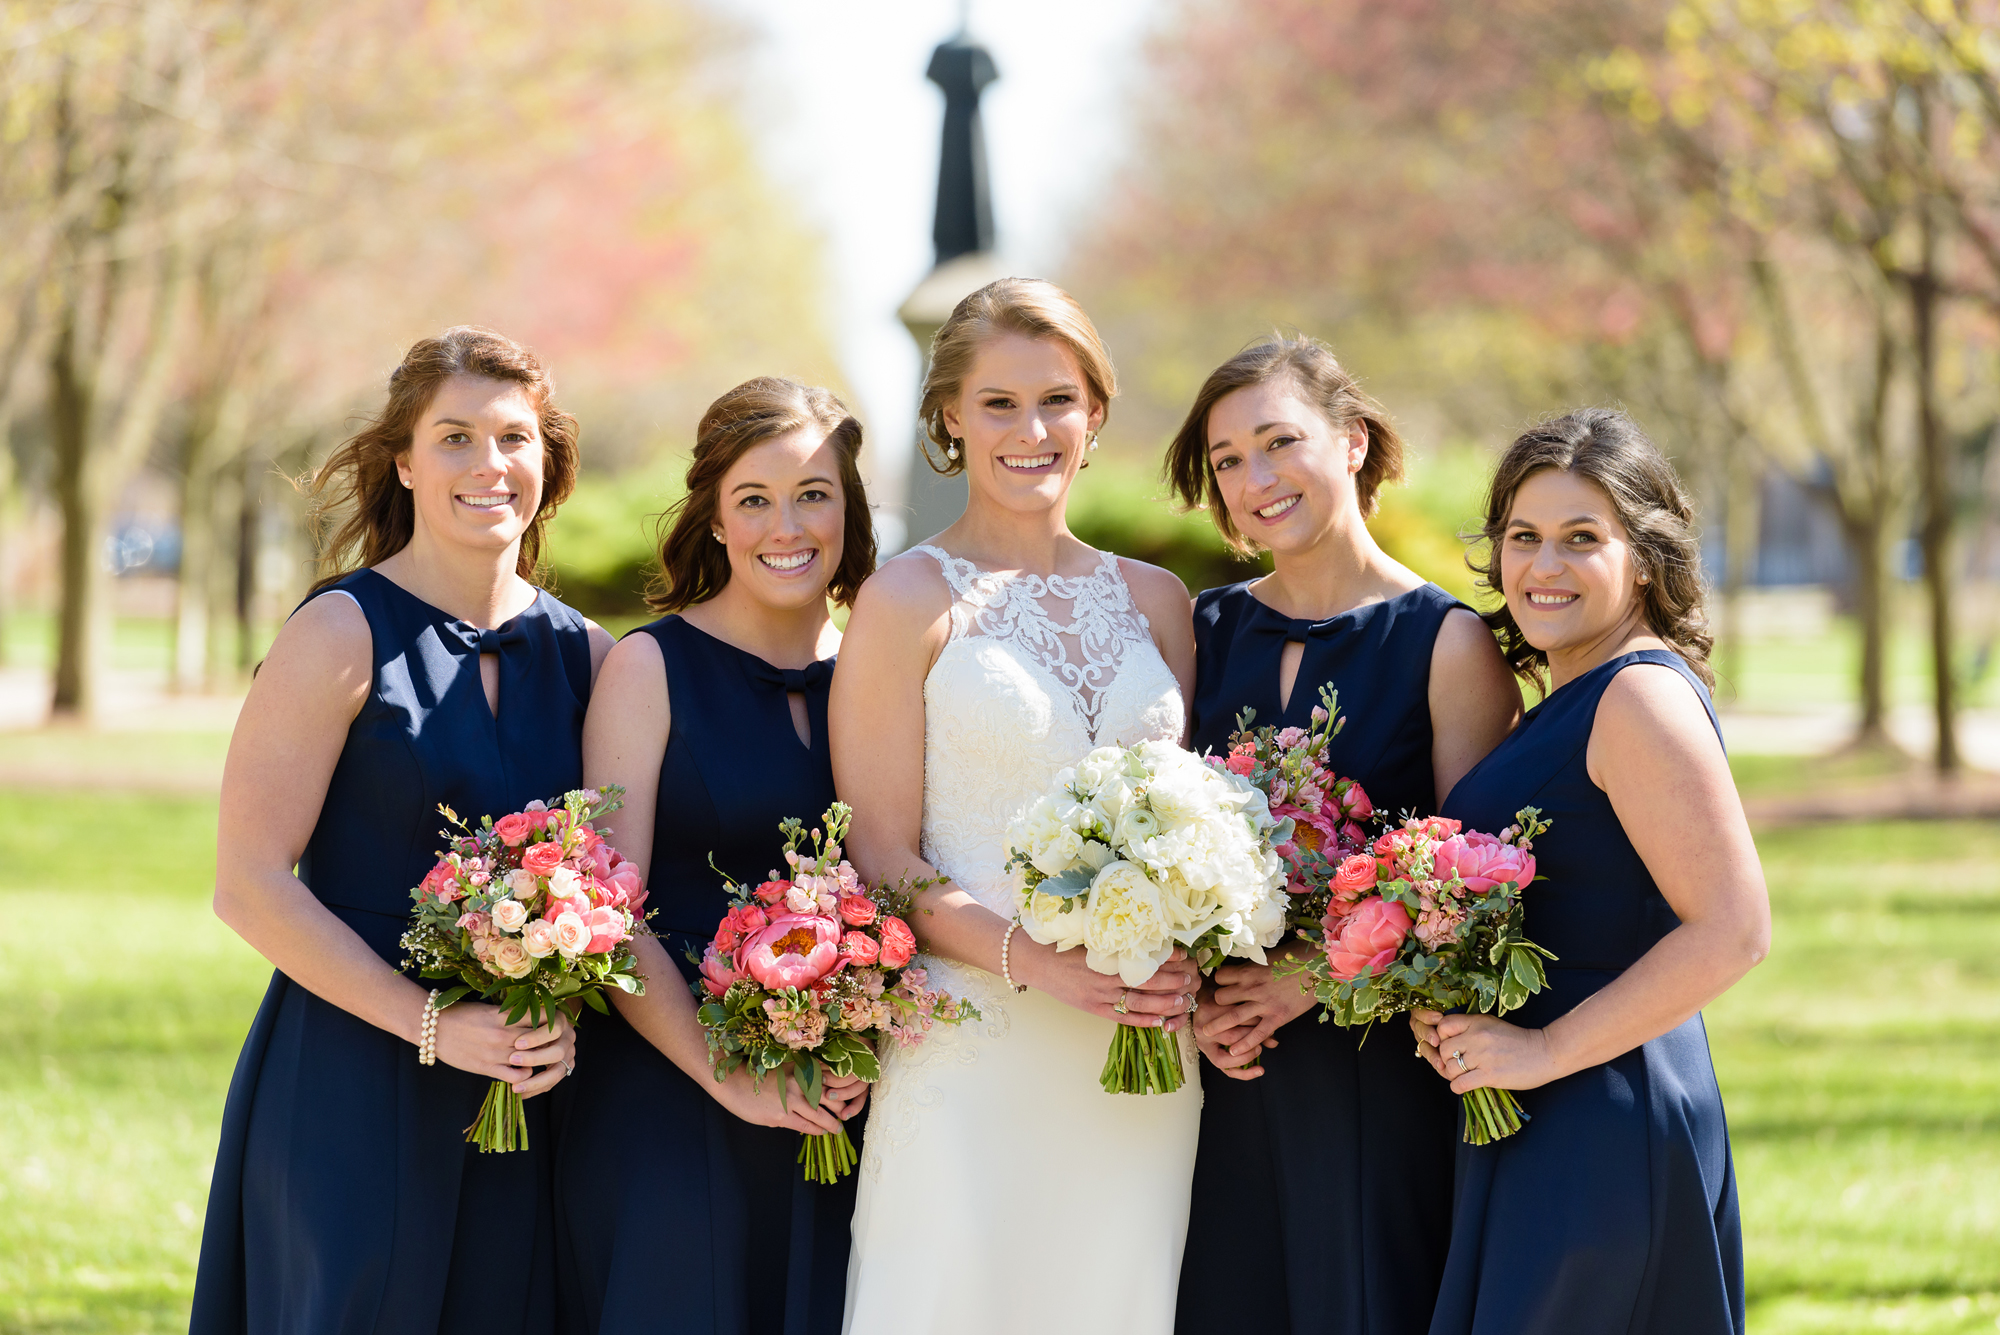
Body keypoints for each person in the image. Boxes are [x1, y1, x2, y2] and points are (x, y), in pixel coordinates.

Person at [192, 327, 612, 1335]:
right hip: (350, 1074)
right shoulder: (339, 633)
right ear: (406, 462)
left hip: (531, 1089)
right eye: (455, 436)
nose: (486, 464)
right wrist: (433, 1026)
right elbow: (247, 883)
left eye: (513, 437)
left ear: (546, 463)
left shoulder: (593, 657)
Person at [831, 278, 1202, 1334]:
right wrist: (1035, 964)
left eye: (1056, 399)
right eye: (997, 403)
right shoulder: (905, 598)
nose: (1030, 430)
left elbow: (1196, 814)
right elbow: (881, 849)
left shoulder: (1156, 602)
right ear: (949, 415)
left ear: (1093, 411)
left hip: (1139, 1048)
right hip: (974, 1035)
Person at [1165, 336, 1520, 1335]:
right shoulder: (1206, 629)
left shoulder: (1444, 641)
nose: (1253, 478)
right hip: (1223, 1070)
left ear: (1353, 442)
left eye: (1278, 442)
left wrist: (1305, 984)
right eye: (1227, 460)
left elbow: (1470, 895)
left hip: (1372, 1074)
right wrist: (1200, 995)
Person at [1410, 408, 1765, 1335]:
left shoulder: (1637, 696)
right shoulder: (1566, 697)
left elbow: (1734, 928)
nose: (1543, 565)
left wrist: (1542, 1051)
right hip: (1543, 1111)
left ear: (1643, 558)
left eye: (1581, 538)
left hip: (1606, 1112)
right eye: (1523, 537)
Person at [554, 376, 873, 1334]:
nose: (789, 524)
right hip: (669, 1087)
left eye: (814, 494)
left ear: (850, 512)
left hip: (845, 1087)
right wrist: (726, 1072)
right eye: (755, 499)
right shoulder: (648, 667)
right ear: (717, 520)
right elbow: (609, 909)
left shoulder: (884, 669)